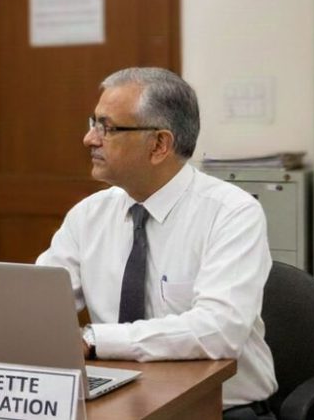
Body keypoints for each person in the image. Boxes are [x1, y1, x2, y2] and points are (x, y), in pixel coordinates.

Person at [35, 67, 277, 419]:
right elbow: (39, 303)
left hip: (216, 410)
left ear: (160, 144)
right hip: (117, 404)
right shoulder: (89, 215)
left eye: (107, 127)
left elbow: (219, 330)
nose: (90, 139)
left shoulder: (232, 213)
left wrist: (94, 338)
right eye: (92, 123)